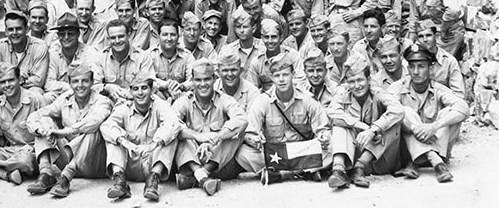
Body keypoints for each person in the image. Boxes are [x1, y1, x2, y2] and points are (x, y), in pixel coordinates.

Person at [236, 52, 331, 185]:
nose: (281, 80)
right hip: (275, 154)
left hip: (301, 152)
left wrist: (324, 136)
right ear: (271, 77)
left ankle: (283, 174)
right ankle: (304, 171)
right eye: (277, 75)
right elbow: (250, 132)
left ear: (293, 74)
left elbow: (323, 129)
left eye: (285, 75)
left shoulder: (307, 99)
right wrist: (254, 139)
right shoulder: (262, 101)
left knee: (332, 149)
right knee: (242, 153)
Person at [26, 62, 113, 197]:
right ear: (70, 83)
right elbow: (35, 116)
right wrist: (43, 130)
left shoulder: (102, 101)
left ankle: (66, 178)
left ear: (92, 82)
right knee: (44, 120)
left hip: (94, 162)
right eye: (75, 82)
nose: (80, 85)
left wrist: (63, 132)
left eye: (85, 81)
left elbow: (94, 121)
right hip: (68, 157)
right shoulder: (65, 99)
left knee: (94, 129)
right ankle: (46, 174)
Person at [390, 44, 468, 183]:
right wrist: (414, 129)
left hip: (438, 146)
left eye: (421, 66)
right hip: (406, 153)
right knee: (402, 112)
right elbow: (389, 112)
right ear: (407, 69)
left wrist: (434, 127)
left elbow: (463, 108)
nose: (416, 72)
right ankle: (435, 161)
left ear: (430, 69)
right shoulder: (397, 87)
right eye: (412, 67)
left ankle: (420, 161)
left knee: (449, 112)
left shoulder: (439, 89)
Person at [100, 71, 180, 202]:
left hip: (153, 161)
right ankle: (120, 181)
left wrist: (154, 144)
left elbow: (174, 124)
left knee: (171, 136)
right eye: (135, 89)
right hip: (130, 162)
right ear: (130, 92)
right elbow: (106, 126)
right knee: (113, 137)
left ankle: (152, 181)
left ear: (152, 90)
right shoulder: (124, 107)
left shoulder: (160, 105)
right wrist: (124, 142)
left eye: (144, 88)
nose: (140, 93)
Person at [327, 56, 404, 189]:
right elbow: (331, 111)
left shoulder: (377, 93)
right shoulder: (344, 94)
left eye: (360, 80)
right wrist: (360, 125)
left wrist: (373, 130)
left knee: (392, 123)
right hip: (354, 154)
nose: (356, 86)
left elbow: (398, 110)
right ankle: (338, 170)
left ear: (368, 80)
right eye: (351, 82)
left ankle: (359, 167)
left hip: (380, 158)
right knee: (339, 124)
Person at [173, 59, 248, 195]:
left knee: (237, 132)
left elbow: (241, 120)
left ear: (214, 79)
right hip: (192, 158)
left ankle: (200, 175)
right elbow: (171, 124)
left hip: (219, 162)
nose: (203, 84)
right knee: (180, 133)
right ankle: (202, 177)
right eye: (198, 80)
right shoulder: (184, 101)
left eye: (207, 79)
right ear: (192, 81)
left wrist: (216, 137)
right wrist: (198, 136)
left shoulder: (225, 100)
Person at [0, 10, 50, 95]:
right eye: (10, 29)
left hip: (26, 91)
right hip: (6, 90)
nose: (14, 33)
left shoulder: (39, 46)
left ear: (27, 29)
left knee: (36, 92)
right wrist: (18, 78)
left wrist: (5, 85)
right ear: (5, 31)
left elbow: (38, 81)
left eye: (18, 29)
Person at [93, 19, 155, 104]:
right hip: (108, 103)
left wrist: (128, 95)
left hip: (136, 102)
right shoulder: (100, 57)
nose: (117, 41)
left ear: (129, 36)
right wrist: (106, 87)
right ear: (108, 39)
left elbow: (149, 85)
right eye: (113, 38)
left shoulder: (142, 57)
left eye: (121, 36)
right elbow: (93, 86)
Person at [44, 12, 101, 99]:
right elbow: (48, 84)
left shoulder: (90, 53)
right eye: (62, 34)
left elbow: (96, 82)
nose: (66, 37)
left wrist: (76, 88)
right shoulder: (53, 54)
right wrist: (70, 88)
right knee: (48, 97)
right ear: (58, 35)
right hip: (61, 96)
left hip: (85, 95)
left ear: (78, 34)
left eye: (70, 34)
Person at [414, 19, 466, 98]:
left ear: (436, 36)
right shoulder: (411, 60)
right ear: (417, 39)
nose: (425, 40)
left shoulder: (449, 61)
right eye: (421, 36)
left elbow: (459, 93)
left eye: (428, 35)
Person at [149, 19, 195, 102]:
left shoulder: (187, 55)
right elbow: (148, 80)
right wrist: (166, 85)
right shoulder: (149, 55)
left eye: (173, 35)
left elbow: (193, 79)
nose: (169, 39)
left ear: (178, 37)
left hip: (181, 97)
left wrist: (180, 86)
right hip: (157, 99)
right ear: (158, 36)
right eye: (165, 35)